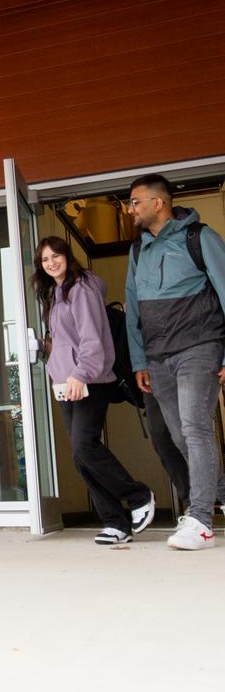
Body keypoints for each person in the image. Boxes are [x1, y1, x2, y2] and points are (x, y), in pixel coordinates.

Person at [32, 237, 155, 545]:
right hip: (66, 383)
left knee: (85, 446)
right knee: (80, 455)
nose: (51, 262)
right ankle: (116, 522)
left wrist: (80, 373)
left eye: (55, 255)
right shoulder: (54, 294)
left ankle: (138, 496)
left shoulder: (81, 289)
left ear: (66, 256)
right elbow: (62, 342)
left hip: (89, 380)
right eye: (45, 259)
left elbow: (92, 339)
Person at [126, 174, 225, 550]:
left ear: (158, 203)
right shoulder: (138, 252)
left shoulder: (198, 238)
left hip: (198, 347)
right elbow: (134, 310)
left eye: (136, 202)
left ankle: (200, 519)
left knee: (196, 429)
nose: (131, 209)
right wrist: (140, 362)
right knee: (181, 437)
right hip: (158, 357)